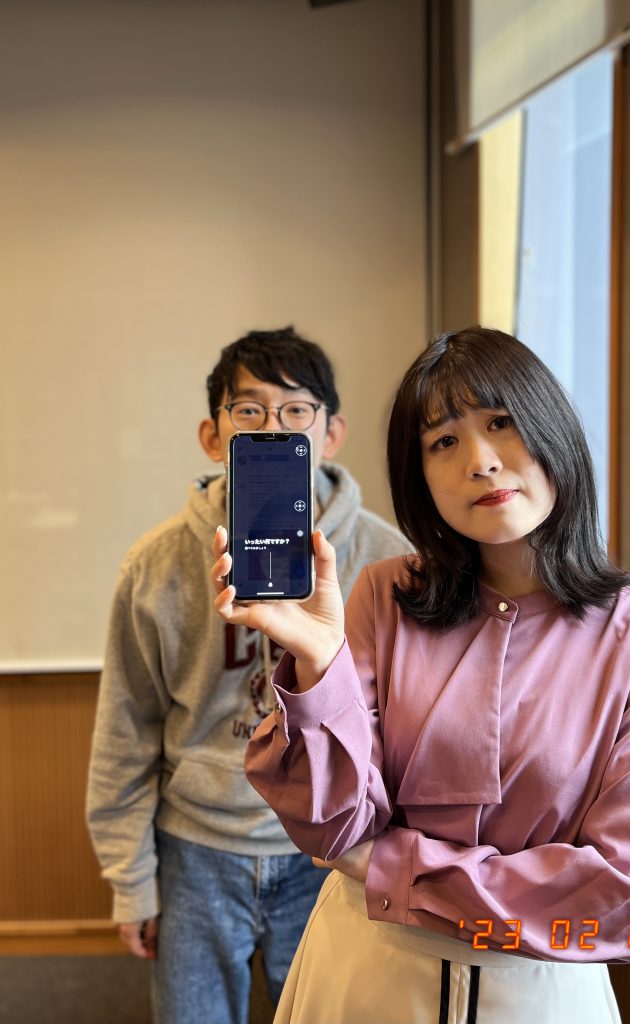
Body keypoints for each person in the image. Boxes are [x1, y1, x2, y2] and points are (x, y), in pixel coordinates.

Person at [212, 327, 630, 1024]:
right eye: (443, 441)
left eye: (500, 423)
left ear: (551, 427)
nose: (480, 461)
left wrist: (392, 867)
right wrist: (318, 665)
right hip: (365, 973)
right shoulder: (383, 596)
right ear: (419, 476)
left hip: (537, 992)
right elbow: (333, 826)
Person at [86, 326, 412, 1024]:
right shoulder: (155, 564)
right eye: (250, 410)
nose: (273, 428)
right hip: (197, 848)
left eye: (296, 411)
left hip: (335, 847)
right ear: (214, 436)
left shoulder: (387, 560)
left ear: (330, 434)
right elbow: (126, 728)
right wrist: (131, 882)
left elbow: (407, 729)